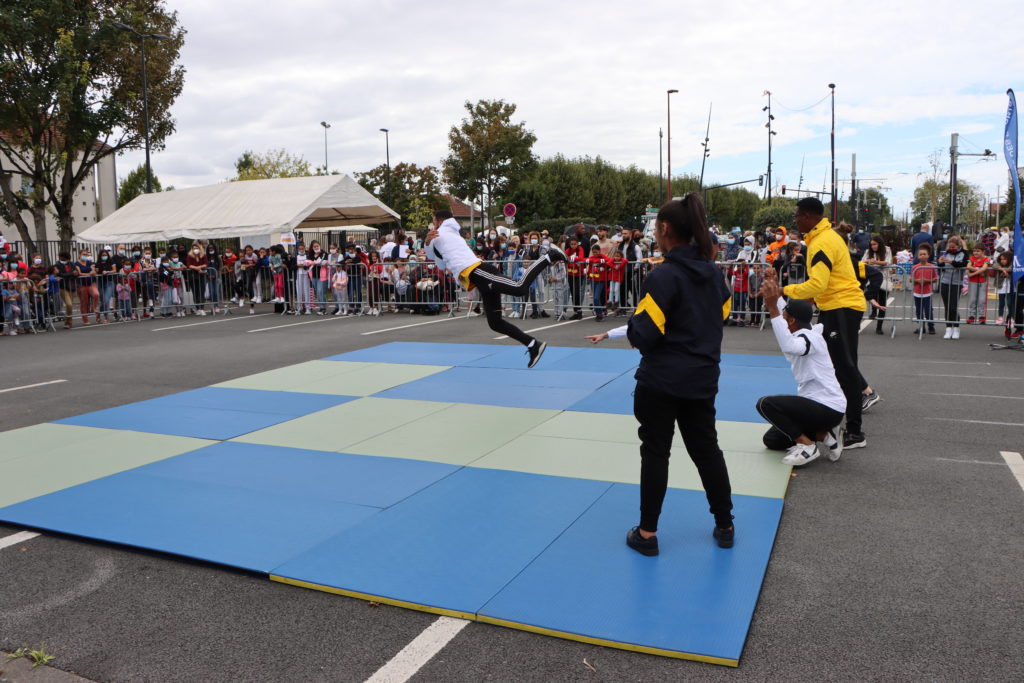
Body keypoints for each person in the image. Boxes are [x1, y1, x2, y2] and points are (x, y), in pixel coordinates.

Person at [585, 193, 734, 555]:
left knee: (656, 453)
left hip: (662, 380)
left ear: (665, 228)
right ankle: (725, 524)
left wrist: (634, 330)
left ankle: (647, 534)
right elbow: (724, 315)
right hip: (702, 378)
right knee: (707, 450)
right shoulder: (715, 274)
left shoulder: (662, 276)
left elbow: (645, 333)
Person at [779, 197, 868, 450]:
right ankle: (835, 424)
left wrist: (782, 290)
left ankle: (855, 432)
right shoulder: (823, 238)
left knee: (845, 368)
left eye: (797, 216)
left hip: (842, 307)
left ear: (808, 216)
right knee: (836, 366)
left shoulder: (821, 243)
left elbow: (817, 284)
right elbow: (821, 286)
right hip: (835, 306)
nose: (795, 220)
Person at [426, 209, 565, 368]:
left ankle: (549, 257)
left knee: (519, 287)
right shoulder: (450, 233)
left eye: (434, 220)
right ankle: (533, 345)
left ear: (439, 220)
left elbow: (435, 258)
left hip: (480, 272)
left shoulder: (439, 234)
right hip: (478, 277)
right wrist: (428, 242)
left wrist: (427, 242)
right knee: (495, 322)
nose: (433, 224)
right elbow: (440, 261)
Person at [754, 285, 846, 466]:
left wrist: (772, 309)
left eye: (785, 317)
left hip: (827, 407)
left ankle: (808, 446)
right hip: (815, 407)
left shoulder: (810, 338)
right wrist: (776, 295)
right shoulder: (804, 329)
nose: (782, 317)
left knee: (765, 404)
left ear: (791, 321)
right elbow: (787, 311)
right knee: (772, 440)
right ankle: (826, 434)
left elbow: (789, 346)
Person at [937, 235, 968, 339]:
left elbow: (963, 264)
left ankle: (956, 329)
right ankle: (948, 328)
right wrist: (940, 262)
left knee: (953, 307)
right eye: (950, 247)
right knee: (947, 307)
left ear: (958, 246)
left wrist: (951, 262)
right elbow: (941, 267)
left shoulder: (963, 253)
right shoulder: (946, 253)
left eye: (953, 247)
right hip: (945, 282)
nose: (951, 249)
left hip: (956, 283)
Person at [862, 235, 893, 334]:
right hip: (872, 281)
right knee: (872, 298)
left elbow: (888, 262)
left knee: (883, 303)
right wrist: (868, 261)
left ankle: (879, 327)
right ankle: (873, 311)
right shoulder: (868, 251)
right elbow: (861, 262)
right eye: (871, 245)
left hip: (884, 280)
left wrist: (876, 262)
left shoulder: (887, 250)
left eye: (875, 244)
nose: (873, 247)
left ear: (880, 244)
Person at [911, 246, 938, 335]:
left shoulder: (932, 266)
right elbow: (911, 279)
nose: (922, 256)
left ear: (928, 255)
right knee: (918, 311)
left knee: (928, 310)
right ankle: (921, 326)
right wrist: (917, 280)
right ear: (918, 256)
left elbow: (935, 279)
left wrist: (926, 280)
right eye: (920, 254)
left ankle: (931, 327)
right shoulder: (915, 267)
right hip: (917, 292)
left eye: (924, 254)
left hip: (927, 293)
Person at [965, 245, 990, 324]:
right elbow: (968, 266)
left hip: (982, 282)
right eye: (974, 251)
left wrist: (973, 274)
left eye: (978, 251)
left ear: (983, 252)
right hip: (973, 282)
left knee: (982, 300)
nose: (975, 252)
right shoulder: (971, 258)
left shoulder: (986, 259)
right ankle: (971, 316)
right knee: (972, 299)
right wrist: (979, 271)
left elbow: (984, 268)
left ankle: (982, 316)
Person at [992, 251, 1014, 325]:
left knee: (1009, 303)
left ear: (1009, 259)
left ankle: (1011, 317)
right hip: (1001, 287)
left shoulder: (1012, 264)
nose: (1002, 261)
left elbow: (1011, 268)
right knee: (1001, 303)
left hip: (1009, 287)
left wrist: (1006, 272)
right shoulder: (999, 264)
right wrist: (1002, 269)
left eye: (1004, 259)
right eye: (1001, 259)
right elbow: (994, 265)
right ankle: (1000, 317)